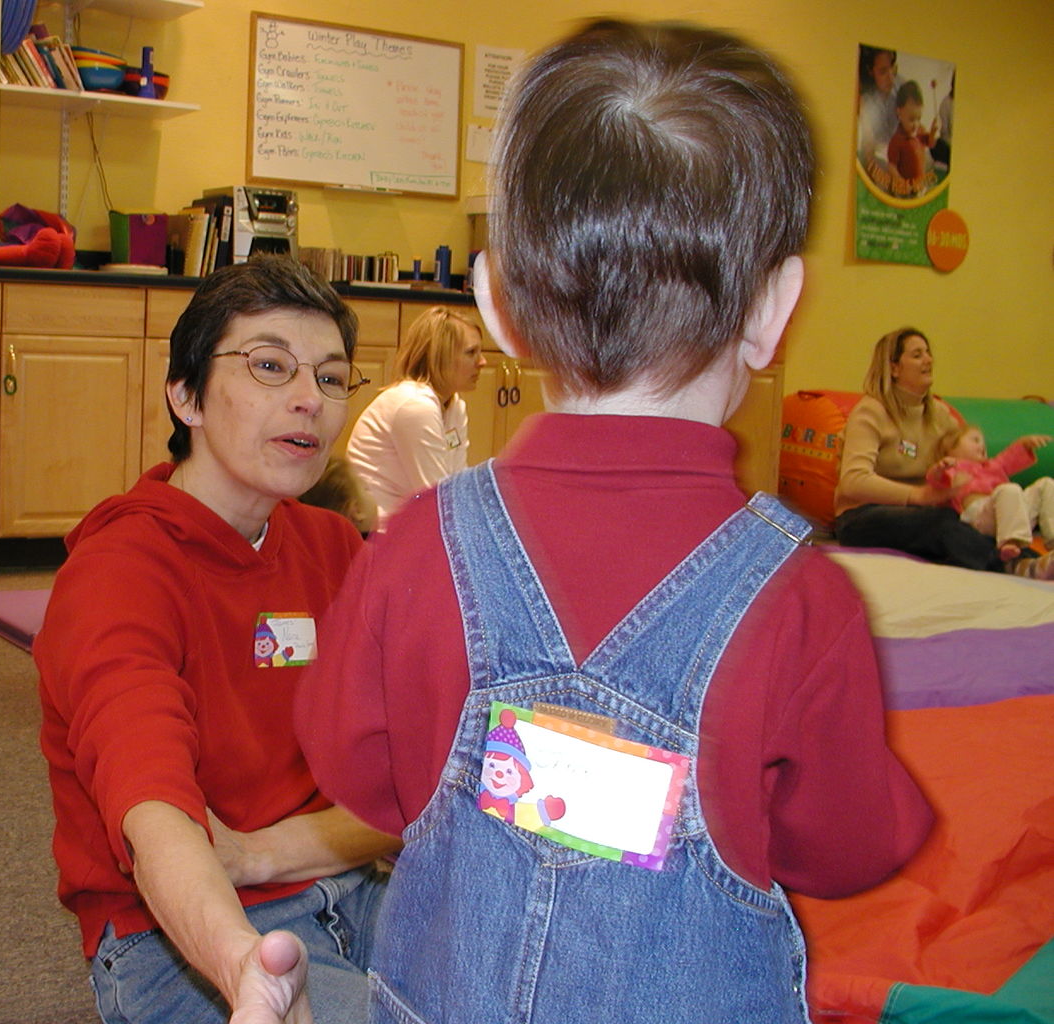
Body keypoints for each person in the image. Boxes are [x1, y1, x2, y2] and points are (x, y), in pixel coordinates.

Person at [292, 19, 933, 1024]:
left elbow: (355, 773)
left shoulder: (414, 549)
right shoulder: (803, 598)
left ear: (496, 305)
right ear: (776, 310)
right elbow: (847, 843)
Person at [34, 256, 398, 1024]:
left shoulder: (331, 546)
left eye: (331, 379)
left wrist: (263, 851)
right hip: (182, 939)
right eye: (269, 366)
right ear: (187, 395)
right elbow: (150, 797)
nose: (309, 401)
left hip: (356, 889)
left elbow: (414, 771)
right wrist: (242, 968)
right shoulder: (119, 570)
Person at [834, 327, 1046, 576]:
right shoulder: (870, 412)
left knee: (972, 519)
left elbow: (972, 465)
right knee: (941, 522)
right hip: (863, 515)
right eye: (917, 355)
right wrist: (919, 495)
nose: (928, 360)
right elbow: (853, 481)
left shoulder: (940, 415)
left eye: (928, 353)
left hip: (921, 508)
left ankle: (1032, 561)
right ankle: (1013, 567)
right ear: (893, 368)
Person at [345, 306, 487, 525]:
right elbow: (436, 498)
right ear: (441, 357)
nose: (483, 362)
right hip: (374, 531)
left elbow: (455, 483)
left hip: (405, 525)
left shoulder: (454, 405)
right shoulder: (414, 405)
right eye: (471, 353)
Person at [926, 424, 1054, 576]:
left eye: (983, 442)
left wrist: (1025, 444)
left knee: (1046, 484)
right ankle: (1011, 542)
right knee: (1009, 489)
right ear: (950, 447)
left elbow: (1009, 457)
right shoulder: (955, 467)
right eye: (975, 440)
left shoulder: (992, 466)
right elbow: (936, 482)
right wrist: (940, 469)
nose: (982, 445)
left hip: (1011, 513)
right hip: (982, 515)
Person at [886, 80, 938, 194]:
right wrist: (900, 182)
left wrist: (933, 132)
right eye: (911, 119)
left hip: (918, 185)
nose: (916, 124)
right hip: (903, 189)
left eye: (919, 118)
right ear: (899, 113)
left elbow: (931, 144)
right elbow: (891, 166)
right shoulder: (896, 140)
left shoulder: (920, 130)